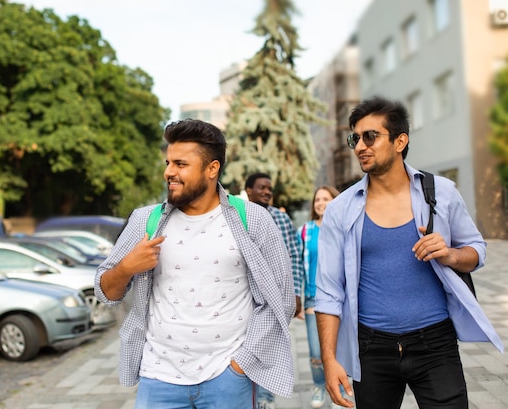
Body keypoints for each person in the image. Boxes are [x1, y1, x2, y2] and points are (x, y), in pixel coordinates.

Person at [315, 96, 504, 409]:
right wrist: (330, 359)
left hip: (435, 344)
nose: (360, 146)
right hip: (371, 348)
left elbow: (477, 250)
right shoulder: (340, 209)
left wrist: (451, 255)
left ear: (400, 141)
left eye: (371, 136)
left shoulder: (440, 192)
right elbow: (328, 292)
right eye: (355, 138)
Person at [95, 119, 296, 409]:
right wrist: (126, 267)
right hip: (158, 378)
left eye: (180, 164)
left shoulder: (252, 219)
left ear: (212, 168)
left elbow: (281, 299)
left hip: (227, 380)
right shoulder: (145, 221)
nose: (168, 172)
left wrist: (243, 364)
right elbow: (105, 293)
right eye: (167, 163)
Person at [245, 172, 303, 409]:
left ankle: (266, 401)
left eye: (270, 188)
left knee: (269, 347)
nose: (267, 191)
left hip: (276, 299)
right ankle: (249, 399)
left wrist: (296, 293)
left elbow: (294, 256)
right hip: (245, 299)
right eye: (262, 188)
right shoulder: (237, 217)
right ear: (249, 191)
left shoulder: (281, 218)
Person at [297, 185, 339, 408]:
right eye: (317, 200)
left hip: (339, 297)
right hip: (313, 297)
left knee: (338, 349)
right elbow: (295, 264)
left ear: (335, 201)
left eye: (326, 198)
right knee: (316, 351)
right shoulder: (306, 231)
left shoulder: (342, 228)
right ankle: (319, 384)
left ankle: (339, 388)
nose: (321, 203)